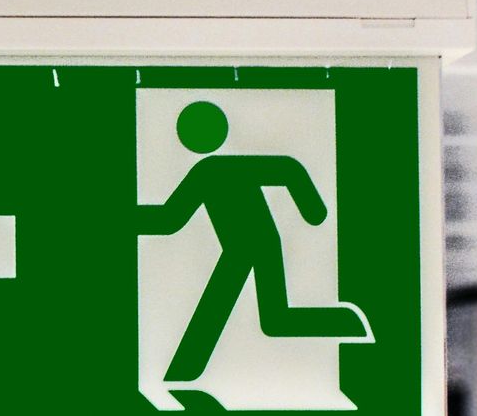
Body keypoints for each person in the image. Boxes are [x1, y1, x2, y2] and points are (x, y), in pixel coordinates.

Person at [137, 101, 366, 384]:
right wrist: (312, 210)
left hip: (255, 245)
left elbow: (169, 218)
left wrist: (313, 211)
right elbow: (170, 219)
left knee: (266, 317)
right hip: (245, 247)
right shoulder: (208, 172)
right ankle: (346, 324)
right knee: (275, 319)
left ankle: (183, 372)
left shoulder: (209, 171)